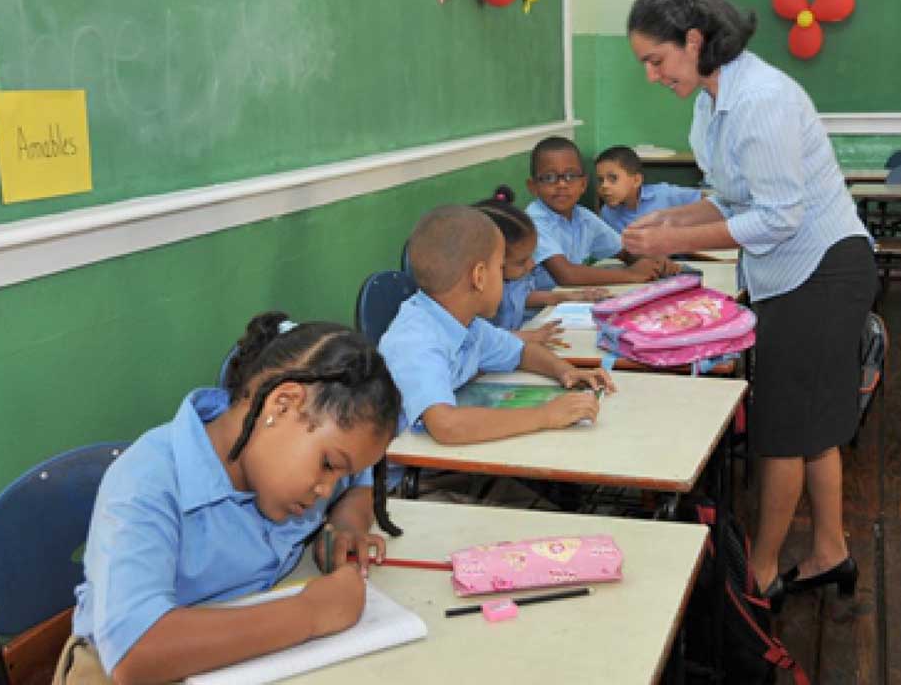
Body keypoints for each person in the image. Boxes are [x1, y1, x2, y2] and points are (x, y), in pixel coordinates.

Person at [622, 0, 877, 609]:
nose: (652, 76)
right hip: (796, 272)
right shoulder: (712, 99)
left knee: (783, 431)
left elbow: (778, 217)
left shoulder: (760, 98)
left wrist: (673, 245)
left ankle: (759, 574)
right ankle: (829, 552)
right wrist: (669, 222)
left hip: (820, 269)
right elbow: (730, 196)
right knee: (812, 425)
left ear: (693, 40)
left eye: (656, 60)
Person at [61, 315, 401, 683]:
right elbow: (136, 651)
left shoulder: (294, 467)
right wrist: (311, 613)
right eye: (328, 465)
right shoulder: (147, 480)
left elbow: (360, 481)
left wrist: (348, 523)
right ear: (282, 405)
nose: (326, 489)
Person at [378, 205, 615, 444]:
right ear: (479, 277)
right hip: (411, 471)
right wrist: (544, 415)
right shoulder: (416, 339)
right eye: (501, 267)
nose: (504, 277)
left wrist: (564, 371)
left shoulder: (467, 323)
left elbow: (521, 351)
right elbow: (446, 425)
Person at [526, 136, 679, 290]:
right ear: (533, 186)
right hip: (539, 311)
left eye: (570, 176)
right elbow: (566, 275)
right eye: (549, 177)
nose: (561, 184)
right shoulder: (533, 222)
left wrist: (652, 261)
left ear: (583, 184)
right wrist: (632, 274)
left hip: (568, 301)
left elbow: (624, 251)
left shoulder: (583, 217)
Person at [474, 196, 610, 346]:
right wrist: (524, 337)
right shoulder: (472, 299)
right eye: (521, 262)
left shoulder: (511, 280)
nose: (532, 264)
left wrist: (568, 297)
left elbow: (520, 297)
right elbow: (479, 342)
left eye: (532, 256)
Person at [595, 145, 702, 233]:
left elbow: (711, 201)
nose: (604, 186)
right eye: (600, 180)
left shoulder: (664, 194)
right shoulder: (607, 214)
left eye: (613, 178)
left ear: (636, 180)